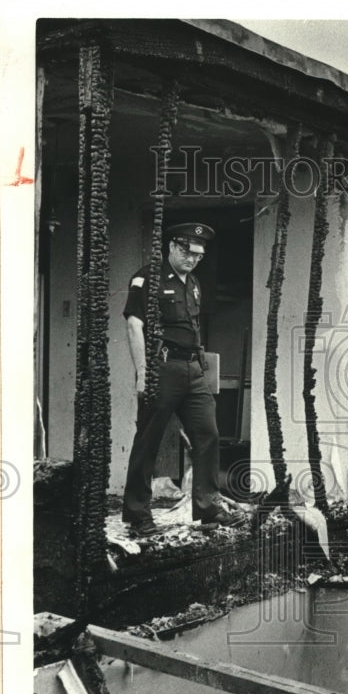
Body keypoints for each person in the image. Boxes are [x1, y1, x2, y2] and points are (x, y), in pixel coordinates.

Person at [121, 222, 247, 535]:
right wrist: (142, 371)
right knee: (148, 441)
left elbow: (193, 328)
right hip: (162, 369)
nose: (193, 260)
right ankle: (138, 515)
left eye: (199, 256)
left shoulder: (193, 284)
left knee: (208, 434)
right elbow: (134, 326)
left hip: (193, 371)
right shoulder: (146, 277)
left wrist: (202, 367)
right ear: (173, 247)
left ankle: (207, 508)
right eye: (188, 253)